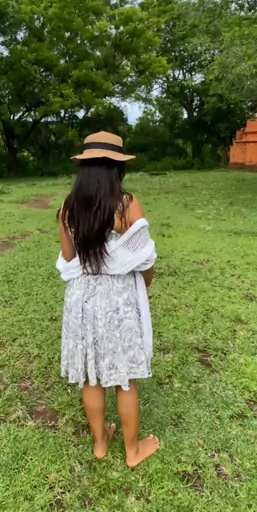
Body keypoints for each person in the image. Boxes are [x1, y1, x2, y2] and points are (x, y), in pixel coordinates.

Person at [56, 131, 159, 468]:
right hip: (118, 298)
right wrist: (144, 289)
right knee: (124, 376)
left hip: (82, 298)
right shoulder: (127, 205)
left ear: (83, 168)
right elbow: (145, 260)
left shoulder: (67, 209)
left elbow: (69, 259)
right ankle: (132, 451)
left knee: (91, 375)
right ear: (118, 168)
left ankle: (100, 443)